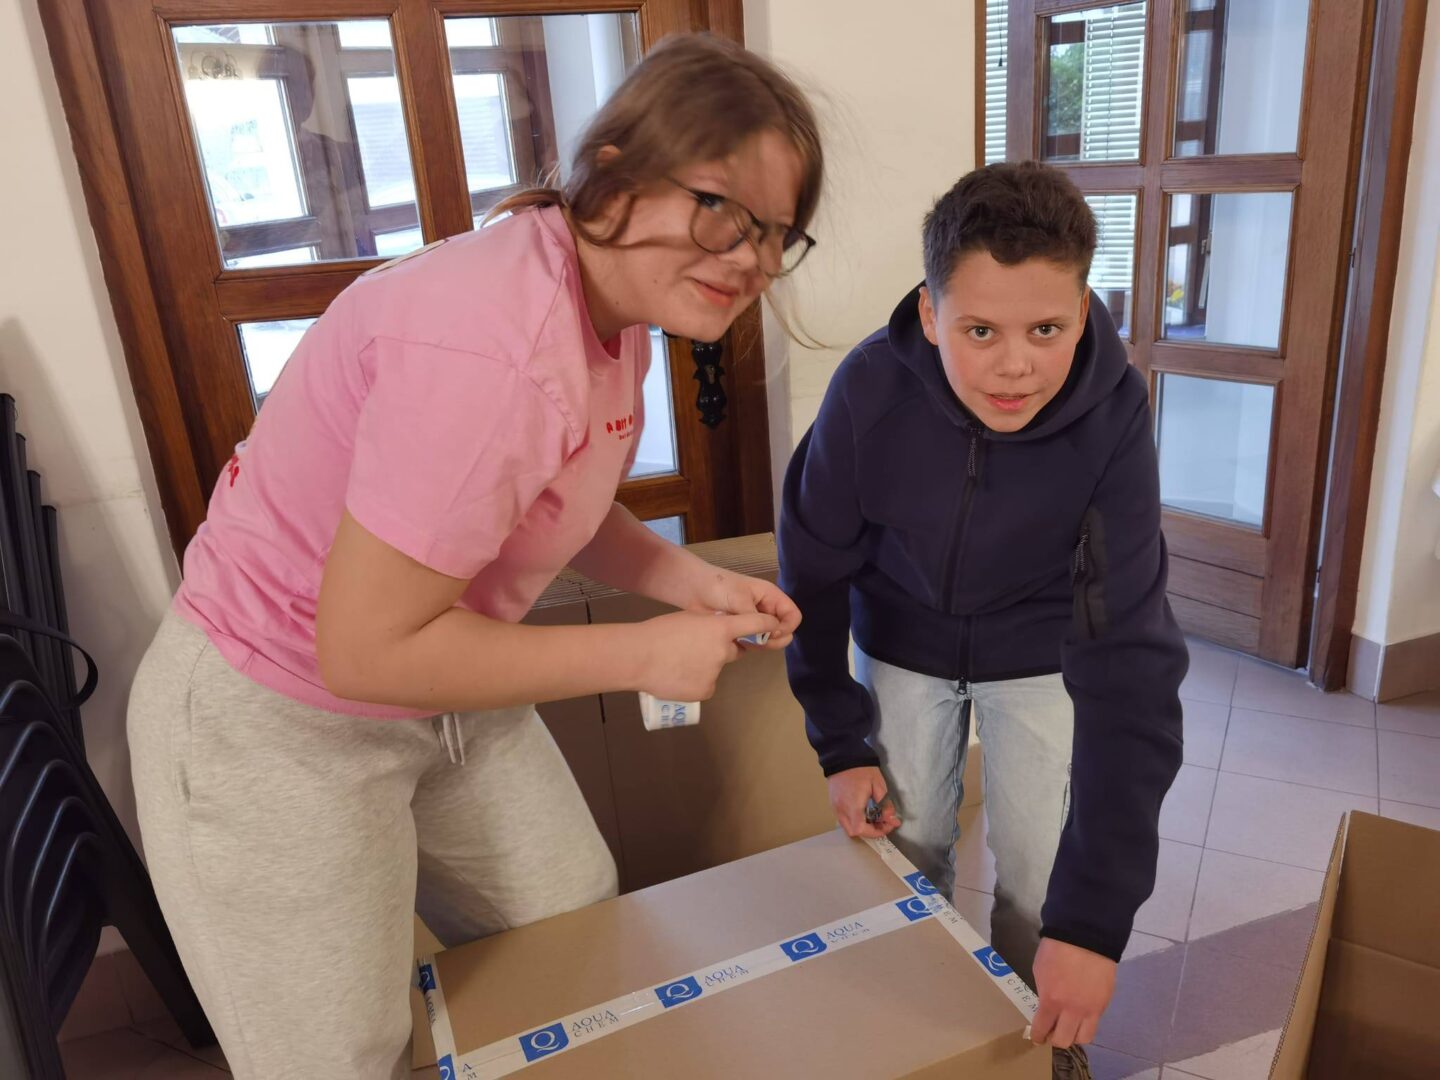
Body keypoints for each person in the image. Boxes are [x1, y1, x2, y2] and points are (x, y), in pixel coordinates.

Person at [128, 33, 820, 1079]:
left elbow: (546, 497)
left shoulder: (609, 301)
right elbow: (364, 651)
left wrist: (692, 580)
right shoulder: (492, 343)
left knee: (570, 925)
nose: (750, 258)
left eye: (776, 232)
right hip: (275, 712)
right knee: (335, 1053)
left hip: (443, 679)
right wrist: (642, 653)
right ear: (617, 175)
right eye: (720, 207)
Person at [778, 161, 1186, 1075]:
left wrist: (1095, 925)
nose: (1015, 366)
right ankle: (920, 1044)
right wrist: (840, 742)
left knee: (1041, 882)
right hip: (903, 645)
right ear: (930, 315)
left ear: (1082, 308)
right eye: (979, 331)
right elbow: (812, 567)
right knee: (907, 849)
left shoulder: (1115, 412)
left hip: (1041, 654)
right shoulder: (870, 389)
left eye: (1047, 329)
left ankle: (1036, 1050)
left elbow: (1131, 657)